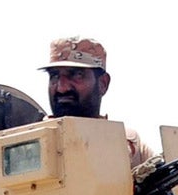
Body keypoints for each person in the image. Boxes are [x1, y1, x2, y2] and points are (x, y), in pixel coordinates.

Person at [40, 35, 153, 169]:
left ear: (103, 84)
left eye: (76, 75)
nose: (62, 88)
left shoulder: (130, 149)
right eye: (54, 76)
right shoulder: (26, 148)